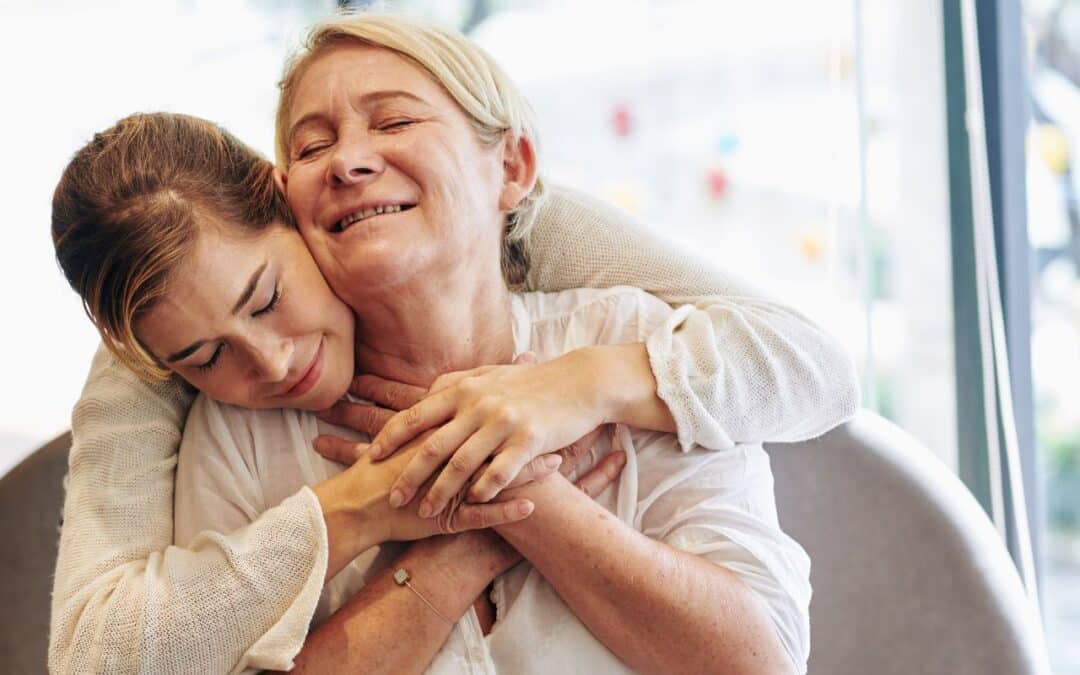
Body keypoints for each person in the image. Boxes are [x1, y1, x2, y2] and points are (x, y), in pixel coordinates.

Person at [49, 13, 858, 675]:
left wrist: (571, 398)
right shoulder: (211, 415)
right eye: (312, 144)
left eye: (395, 120)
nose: (271, 361)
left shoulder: (636, 332)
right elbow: (96, 658)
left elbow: (760, 660)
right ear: (293, 193)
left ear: (512, 167)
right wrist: (450, 533)